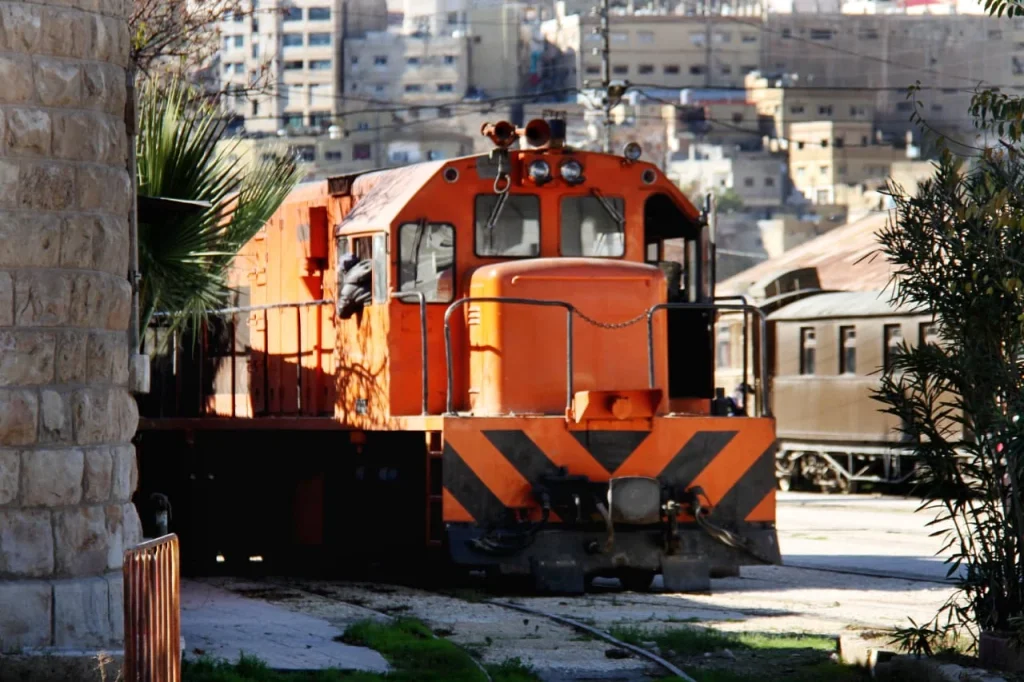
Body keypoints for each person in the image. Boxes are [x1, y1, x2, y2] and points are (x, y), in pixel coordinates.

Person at [338, 253, 373, 319]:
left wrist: (356, 307)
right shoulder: (373, 267)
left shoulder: (349, 287)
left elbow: (342, 312)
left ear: (344, 270)